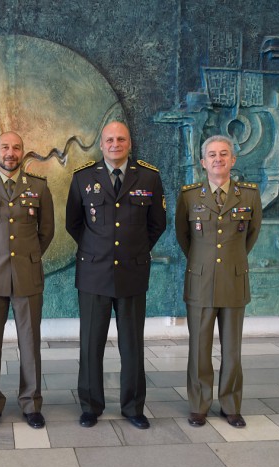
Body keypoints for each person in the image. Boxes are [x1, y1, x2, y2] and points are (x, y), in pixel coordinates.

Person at [65, 121, 167, 429]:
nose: (115, 144)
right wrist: (98, 249)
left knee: (132, 345)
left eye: (121, 139)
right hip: (94, 273)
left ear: (129, 143)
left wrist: (134, 250)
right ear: (101, 144)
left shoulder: (148, 176)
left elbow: (157, 223)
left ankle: (133, 407)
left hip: (132, 272)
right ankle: (90, 406)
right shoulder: (83, 177)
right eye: (109, 139)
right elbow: (74, 223)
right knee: (91, 344)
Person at [0, 131, 55, 430]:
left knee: (30, 344)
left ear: (22, 152)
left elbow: (46, 232)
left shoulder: (39, 188)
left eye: (16, 148)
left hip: (26, 275)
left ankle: (31, 404)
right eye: (5, 147)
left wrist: (26, 258)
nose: (10, 152)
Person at [174, 135, 262, 428]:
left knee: (232, 349)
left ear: (233, 160)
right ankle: (199, 405)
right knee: (199, 348)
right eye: (212, 155)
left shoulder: (249, 195)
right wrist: (204, 261)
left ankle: (231, 405)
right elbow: (184, 237)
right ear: (203, 162)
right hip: (200, 281)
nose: (218, 159)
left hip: (234, 281)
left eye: (224, 154)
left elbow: (251, 236)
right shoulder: (189, 196)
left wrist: (230, 261)